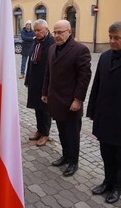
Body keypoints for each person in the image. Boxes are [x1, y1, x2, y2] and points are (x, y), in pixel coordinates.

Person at [87, 21, 121, 204]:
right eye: (110, 37)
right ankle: (107, 182)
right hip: (104, 117)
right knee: (106, 154)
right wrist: (92, 110)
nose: (111, 41)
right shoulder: (105, 56)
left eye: (116, 38)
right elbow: (97, 86)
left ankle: (117, 188)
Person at [42, 20, 91, 177]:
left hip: (71, 102)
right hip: (56, 99)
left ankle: (73, 162)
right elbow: (48, 73)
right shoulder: (51, 49)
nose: (57, 35)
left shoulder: (80, 50)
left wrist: (78, 99)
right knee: (62, 132)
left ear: (70, 32)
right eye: (55, 32)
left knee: (72, 134)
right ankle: (65, 155)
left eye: (60, 32)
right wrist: (44, 92)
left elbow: (84, 78)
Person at [25, 19, 54, 147]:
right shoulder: (35, 41)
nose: (36, 33)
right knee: (37, 107)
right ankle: (39, 130)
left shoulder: (52, 43)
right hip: (34, 80)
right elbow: (30, 61)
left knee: (45, 109)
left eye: (39, 30)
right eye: (35, 30)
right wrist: (27, 79)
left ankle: (45, 134)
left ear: (46, 30)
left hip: (46, 80)